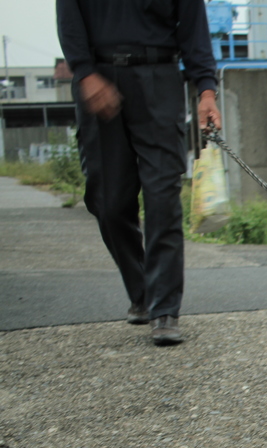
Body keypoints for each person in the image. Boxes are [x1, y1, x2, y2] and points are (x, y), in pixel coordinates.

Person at [57, 0, 222, 346]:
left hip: (160, 79)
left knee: (162, 195)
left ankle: (164, 309)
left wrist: (206, 90)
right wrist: (84, 71)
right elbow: (69, 17)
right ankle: (142, 291)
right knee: (109, 202)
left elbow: (194, 29)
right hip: (97, 78)